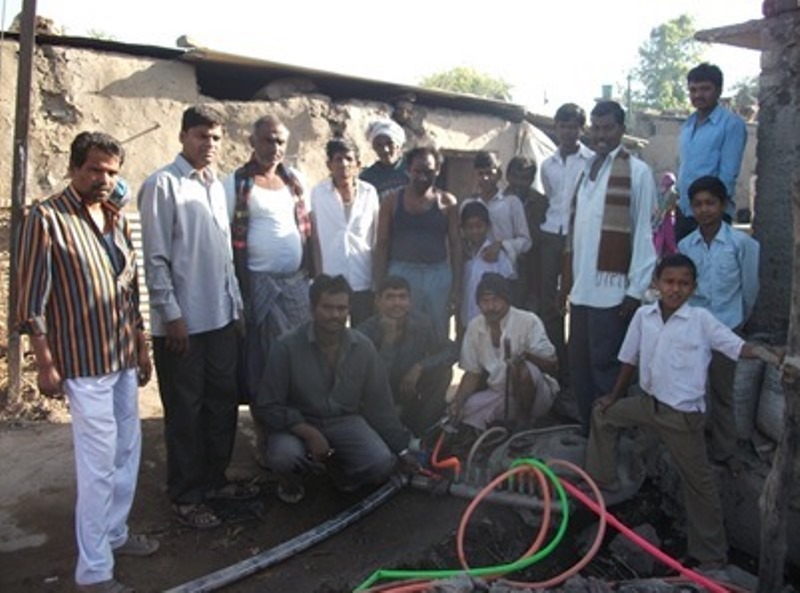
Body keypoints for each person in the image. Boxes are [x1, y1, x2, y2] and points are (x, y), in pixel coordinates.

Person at [17, 132, 157, 592]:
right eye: (95, 169)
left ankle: (115, 533)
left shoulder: (114, 216)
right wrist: (44, 361)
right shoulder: (47, 218)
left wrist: (141, 343)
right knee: (97, 465)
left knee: (126, 451)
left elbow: (129, 288)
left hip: (119, 354)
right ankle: (94, 572)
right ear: (75, 167)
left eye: (112, 171)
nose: (103, 179)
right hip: (81, 361)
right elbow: (31, 299)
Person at [585, 254, 777, 573]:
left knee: (698, 485)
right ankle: (602, 481)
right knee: (603, 414)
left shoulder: (701, 320)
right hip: (649, 405)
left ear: (693, 287)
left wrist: (769, 354)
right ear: (657, 284)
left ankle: (711, 555)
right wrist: (613, 396)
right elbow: (628, 360)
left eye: (683, 283)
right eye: (669, 282)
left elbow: (736, 347)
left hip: (681, 419)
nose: (675, 289)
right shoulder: (644, 316)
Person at [139, 105, 253, 531]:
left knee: (221, 404)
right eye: (202, 136)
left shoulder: (214, 186)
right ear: (183, 137)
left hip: (221, 319)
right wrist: (171, 316)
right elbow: (154, 259)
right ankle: (186, 496)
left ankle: (215, 481)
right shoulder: (162, 185)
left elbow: (224, 257)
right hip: (183, 326)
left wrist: (235, 305)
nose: (210, 145)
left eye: (216, 138)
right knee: (185, 411)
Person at [254, 274, 418, 503]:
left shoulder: (363, 347)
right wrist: (309, 433)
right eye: (327, 308)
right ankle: (291, 481)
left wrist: (402, 450)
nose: (335, 315)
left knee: (381, 463)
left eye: (342, 308)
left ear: (349, 309)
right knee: (285, 457)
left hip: (344, 421)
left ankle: (338, 471)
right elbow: (268, 405)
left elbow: (380, 404)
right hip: (298, 423)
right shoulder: (286, 346)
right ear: (312, 308)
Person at [562, 100, 658, 435]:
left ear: (622, 129)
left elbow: (645, 235)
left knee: (606, 369)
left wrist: (635, 291)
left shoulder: (637, 172)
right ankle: (590, 432)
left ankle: (608, 444)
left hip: (614, 294)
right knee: (580, 367)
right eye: (596, 128)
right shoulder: (586, 170)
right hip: (582, 290)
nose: (601, 135)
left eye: (608, 128)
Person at [223, 114, 312, 402]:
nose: (274, 147)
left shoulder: (294, 180)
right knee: (265, 356)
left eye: (280, 141)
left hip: (295, 284)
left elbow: (308, 228)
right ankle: (268, 420)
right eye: (268, 140)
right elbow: (227, 237)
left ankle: (297, 411)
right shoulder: (236, 182)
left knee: (300, 352)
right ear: (252, 141)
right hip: (259, 284)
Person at [678, 175, 760, 474]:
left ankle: (725, 451)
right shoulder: (686, 246)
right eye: (698, 204)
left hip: (727, 327)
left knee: (723, 392)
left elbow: (750, 290)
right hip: (695, 328)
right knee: (693, 389)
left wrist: (738, 322)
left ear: (723, 205)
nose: (704, 210)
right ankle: (693, 446)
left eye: (710, 203)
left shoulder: (742, 244)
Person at [450, 273, 559, 433]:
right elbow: (472, 374)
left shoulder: (528, 321)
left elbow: (552, 364)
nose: (491, 307)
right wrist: (457, 403)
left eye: (496, 300)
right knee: (466, 410)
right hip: (501, 394)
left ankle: (524, 424)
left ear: (507, 300)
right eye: (485, 301)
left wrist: (526, 357)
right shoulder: (475, 327)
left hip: (537, 396)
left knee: (522, 369)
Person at [374, 145, 462, 341]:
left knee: (438, 329)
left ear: (438, 170)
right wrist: (380, 285)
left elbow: (456, 245)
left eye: (429, 171)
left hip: (437, 275)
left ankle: (438, 371)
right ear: (408, 170)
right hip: (402, 273)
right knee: (402, 329)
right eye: (417, 171)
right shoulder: (391, 201)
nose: (422, 176)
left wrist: (457, 286)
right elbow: (381, 244)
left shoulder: (447, 202)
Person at [358, 275, 457, 437]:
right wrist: (388, 341)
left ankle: (421, 432)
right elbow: (375, 381)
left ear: (410, 301)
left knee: (443, 373)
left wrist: (419, 367)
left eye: (402, 297)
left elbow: (452, 350)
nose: (397, 303)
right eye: (390, 297)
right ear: (378, 301)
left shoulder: (421, 323)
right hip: (377, 397)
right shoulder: (364, 333)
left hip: (410, 389)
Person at [538, 103, 594, 383]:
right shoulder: (547, 164)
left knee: (578, 295)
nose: (569, 131)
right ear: (556, 127)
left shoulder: (593, 161)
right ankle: (558, 365)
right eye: (564, 126)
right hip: (551, 233)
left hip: (581, 235)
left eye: (574, 126)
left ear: (581, 129)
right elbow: (550, 197)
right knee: (551, 299)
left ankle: (577, 366)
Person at [310, 137, 380, 327]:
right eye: (338, 159)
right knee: (332, 333)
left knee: (363, 334)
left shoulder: (369, 193)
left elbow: (376, 238)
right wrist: (318, 276)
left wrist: (376, 280)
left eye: (349, 159)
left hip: (363, 279)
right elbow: (315, 240)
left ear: (358, 164)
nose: (343, 164)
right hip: (330, 279)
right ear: (329, 164)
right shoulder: (317, 193)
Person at [675, 63, 748, 241]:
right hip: (685, 211)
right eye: (693, 90)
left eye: (705, 89)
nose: (698, 95)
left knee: (712, 267)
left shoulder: (731, 124)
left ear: (719, 90)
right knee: (685, 267)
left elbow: (728, 176)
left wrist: (710, 209)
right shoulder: (688, 124)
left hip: (711, 215)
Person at [460, 151, 531, 306]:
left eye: (489, 173)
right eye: (480, 174)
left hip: (504, 273)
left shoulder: (511, 203)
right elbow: (462, 238)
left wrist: (501, 245)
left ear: (498, 174)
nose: (485, 178)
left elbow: (526, 241)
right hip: (474, 273)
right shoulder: (468, 204)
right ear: (474, 175)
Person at [459, 200, 514, 333]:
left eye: (479, 226)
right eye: (470, 227)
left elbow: (509, 283)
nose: (475, 231)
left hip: (492, 320)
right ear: (463, 229)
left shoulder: (497, 255)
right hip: (467, 319)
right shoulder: (463, 254)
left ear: (488, 227)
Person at [359, 119, 408, 202]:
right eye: (379, 145)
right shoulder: (367, 177)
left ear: (398, 145)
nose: (385, 150)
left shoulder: (412, 169)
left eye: (390, 143)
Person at [653, 171, 678, 260]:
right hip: (666, 220)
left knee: (668, 241)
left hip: (667, 219)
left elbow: (665, 208)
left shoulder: (672, 193)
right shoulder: (664, 193)